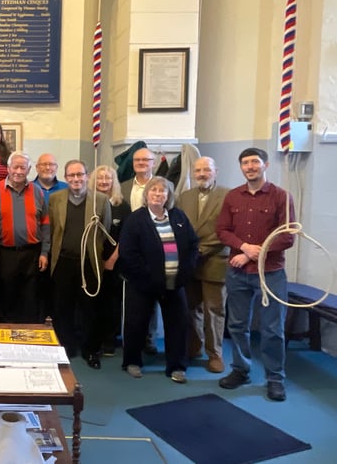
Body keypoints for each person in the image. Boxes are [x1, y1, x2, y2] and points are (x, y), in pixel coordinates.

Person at [216, 147, 295, 402]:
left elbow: (287, 236)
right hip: (237, 273)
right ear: (241, 167)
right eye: (245, 163)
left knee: (272, 329)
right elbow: (222, 231)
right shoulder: (232, 197)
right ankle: (240, 370)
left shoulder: (282, 196)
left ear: (265, 165)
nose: (250, 166)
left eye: (255, 162)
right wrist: (243, 247)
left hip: (270, 273)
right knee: (237, 325)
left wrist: (250, 253)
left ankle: (275, 379)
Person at [119, 177, 199, 383]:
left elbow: (192, 245)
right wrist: (148, 276)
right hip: (143, 284)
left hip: (175, 283)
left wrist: (185, 271)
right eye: (153, 190)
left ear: (169, 196)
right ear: (146, 195)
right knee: (136, 323)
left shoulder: (179, 216)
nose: (157, 194)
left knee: (178, 324)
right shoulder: (136, 219)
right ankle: (132, 361)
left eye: (162, 191)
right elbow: (129, 252)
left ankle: (177, 366)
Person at [49, 160, 111, 368]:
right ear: (65, 178)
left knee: (90, 308)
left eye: (80, 175)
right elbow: (53, 230)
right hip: (63, 261)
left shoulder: (100, 200)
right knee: (62, 308)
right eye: (71, 175)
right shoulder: (56, 198)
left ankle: (90, 350)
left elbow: (106, 231)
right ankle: (66, 347)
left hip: (89, 263)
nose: (76, 179)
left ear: (87, 176)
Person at [176, 157, 230, 373]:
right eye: (197, 170)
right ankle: (194, 347)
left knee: (214, 310)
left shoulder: (228, 195)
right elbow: (179, 225)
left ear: (215, 171)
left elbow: (227, 230)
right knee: (190, 308)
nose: (201, 174)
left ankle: (215, 354)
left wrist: (201, 249)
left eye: (206, 170)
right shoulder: (184, 197)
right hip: (189, 263)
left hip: (215, 260)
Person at [0, 151, 50, 323]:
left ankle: (27, 339)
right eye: (15, 167)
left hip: (32, 253)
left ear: (29, 169)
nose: (19, 171)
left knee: (30, 298)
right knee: (6, 297)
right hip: (4, 253)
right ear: (8, 168)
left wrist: (44, 252)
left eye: (23, 167)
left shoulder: (37, 192)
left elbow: (45, 223)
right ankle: (6, 340)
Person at [120, 146, 160, 354]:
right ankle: (130, 337)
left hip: (153, 248)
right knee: (131, 297)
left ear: (153, 162)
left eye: (146, 160)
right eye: (137, 161)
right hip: (129, 247)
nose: (142, 163)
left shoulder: (163, 186)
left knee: (151, 296)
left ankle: (149, 337)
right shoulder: (124, 186)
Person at [88, 165, 132, 356]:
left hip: (112, 262)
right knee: (91, 301)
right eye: (100, 178)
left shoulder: (122, 205)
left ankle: (109, 340)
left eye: (108, 178)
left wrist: (112, 259)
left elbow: (126, 237)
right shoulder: (87, 203)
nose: (104, 181)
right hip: (90, 261)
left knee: (111, 302)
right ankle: (91, 339)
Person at [32, 153, 67, 322]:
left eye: (51, 164)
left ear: (57, 168)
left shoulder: (66, 188)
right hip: (36, 247)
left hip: (61, 247)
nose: (47, 168)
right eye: (43, 164)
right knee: (37, 290)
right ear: (37, 167)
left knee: (59, 290)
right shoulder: (28, 188)